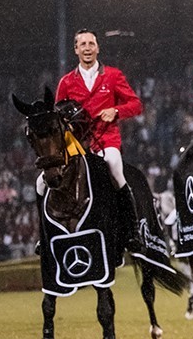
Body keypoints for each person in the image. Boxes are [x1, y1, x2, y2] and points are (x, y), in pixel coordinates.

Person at [53, 28, 143, 235]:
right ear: (76, 49)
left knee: (115, 170)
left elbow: (136, 104)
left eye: (91, 44)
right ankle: (45, 231)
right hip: (74, 143)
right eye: (83, 44)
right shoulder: (66, 82)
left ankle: (131, 228)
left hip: (105, 139)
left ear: (98, 48)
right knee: (43, 182)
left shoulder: (113, 75)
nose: (87, 48)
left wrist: (116, 110)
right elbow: (57, 115)